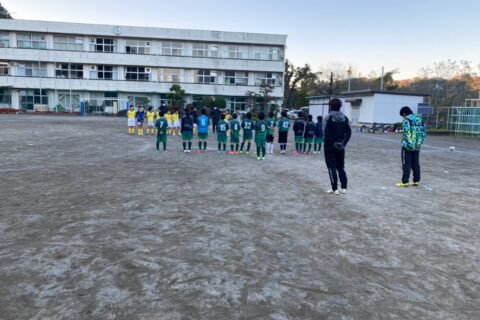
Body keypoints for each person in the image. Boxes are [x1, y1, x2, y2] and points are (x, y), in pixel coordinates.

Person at [324, 98, 352, 195]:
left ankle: (334, 188)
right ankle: (344, 188)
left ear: (330, 106)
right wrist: (344, 143)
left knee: (331, 167)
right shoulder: (345, 118)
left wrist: (333, 142)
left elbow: (326, 133)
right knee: (341, 167)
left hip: (330, 146)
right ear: (340, 106)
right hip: (341, 146)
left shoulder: (328, 117)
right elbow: (349, 132)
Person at [396, 106, 426, 187]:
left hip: (407, 146)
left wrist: (409, 143)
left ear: (404, 113)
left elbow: (406, 133)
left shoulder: (407, 120)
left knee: (406, 163)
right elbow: (424, 132)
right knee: (415, 163)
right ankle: (416, 180)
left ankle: (405, 181)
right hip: (417, 145)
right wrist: (419, 143)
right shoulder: (419, 118)